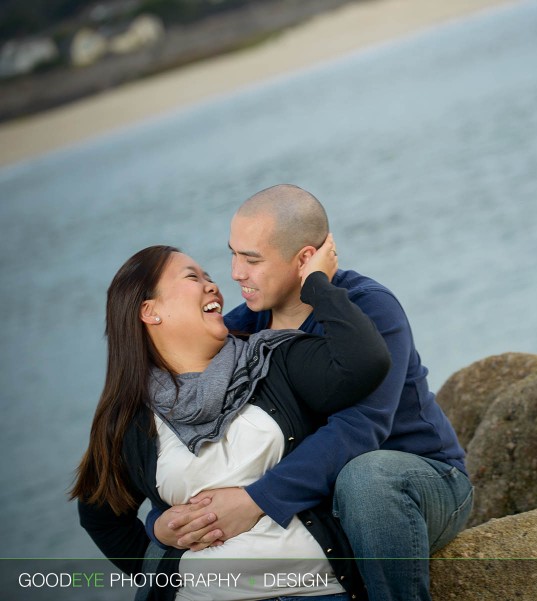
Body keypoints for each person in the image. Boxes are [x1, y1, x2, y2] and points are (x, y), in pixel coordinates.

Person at [150, 185, 474, 601]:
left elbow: (361, 430)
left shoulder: (371, 309)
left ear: (305, 258)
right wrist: (163, 521)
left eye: (252, 259)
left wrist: (257, 500)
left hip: (416, 482)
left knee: (366, 478)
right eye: (232, 253)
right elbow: (198, 441)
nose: (235, 273)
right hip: (322, 497)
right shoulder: (241, 328)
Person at [71, 237, 391, 601]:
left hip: (312, 590)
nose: (213, 285)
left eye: (208, 276)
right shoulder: (129, 419)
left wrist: (316, 284)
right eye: (193, 277)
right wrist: (161, 541)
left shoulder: (272, 359)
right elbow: (101, 516)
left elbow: (364, 362)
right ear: (150, 311)